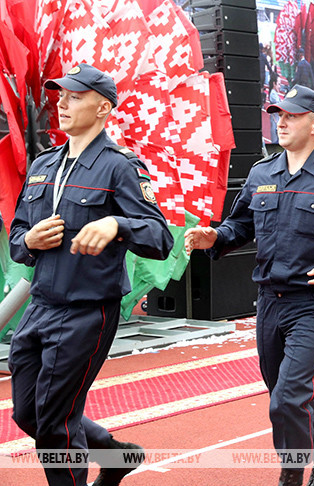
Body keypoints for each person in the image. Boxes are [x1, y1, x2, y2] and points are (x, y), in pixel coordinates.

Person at [184, 85, 314, 486]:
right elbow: (240, 224)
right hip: (268, 303)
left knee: (288, 399)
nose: (282, 121)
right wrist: (216, 237)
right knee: (283, 397)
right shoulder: (263, 172)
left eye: (291, 115)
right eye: (279, 114)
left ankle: (291, 476)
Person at [8, 63, 174, 486]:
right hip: (40, 306)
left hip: (86, 312)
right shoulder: (44, 164)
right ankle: (115, 456)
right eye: (60, 95)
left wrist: (118, 224)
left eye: (74, 96)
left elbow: (159, 237)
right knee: (29, 414)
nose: (61, 103)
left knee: (55, 426)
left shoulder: (120, 167)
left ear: (103, 108)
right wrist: (30, 242)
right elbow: (17, 237)